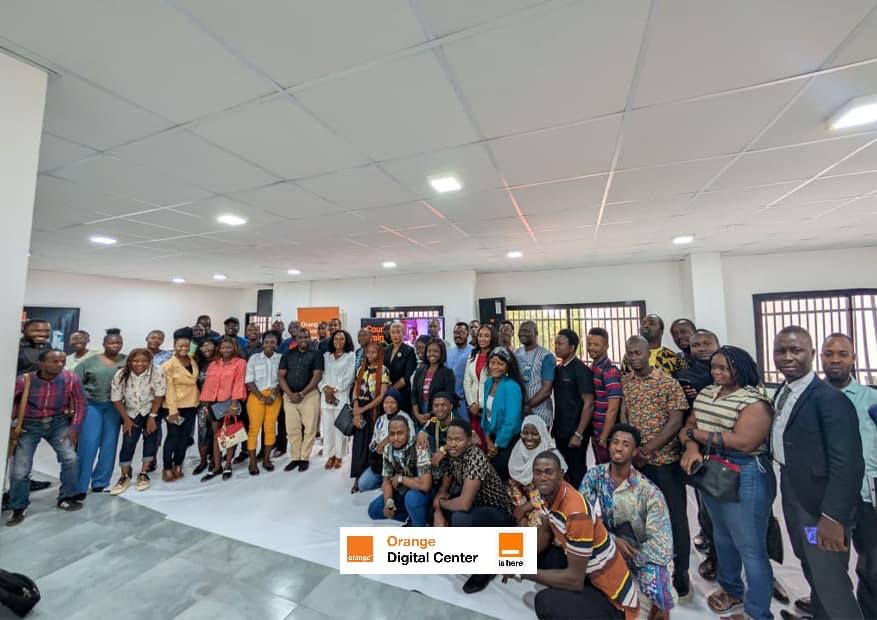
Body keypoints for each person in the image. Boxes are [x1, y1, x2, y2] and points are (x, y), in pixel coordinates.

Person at [771, 326, 864, 620]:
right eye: (780, 351)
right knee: (810, 565)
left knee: (831, 581)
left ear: (811, 354)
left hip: (819, 507)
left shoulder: (829, 399)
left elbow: (848, 464)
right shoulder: (784, 392)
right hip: (794, 494)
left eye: (796, 350)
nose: (787, 357)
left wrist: (833, 517)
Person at [678, 346, 774, 619]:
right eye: (714, 367)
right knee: (722, 535)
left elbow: (744, 442)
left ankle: (757, 612)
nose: (717, 372)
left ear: (741, 369)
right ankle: (731, 590)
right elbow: (689, 425)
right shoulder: (708, 392)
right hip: (712, 468)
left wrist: (696, 435)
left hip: (745, 471)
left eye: (724, 368)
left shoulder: (754, 400)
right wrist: (691, 448)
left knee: (750, 547)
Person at [516, 451, 639, 619]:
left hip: (612, 599)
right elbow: (544, 534)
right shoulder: (545, 494)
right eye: (538, 472)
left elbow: (575, 580)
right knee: (535, 555)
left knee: (544, 602)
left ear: (561, 475)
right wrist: (512, 557)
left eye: (548, 472)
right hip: (589, 572)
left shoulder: (576, 514)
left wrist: (523, 572)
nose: (543, 477)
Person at [580, 424, 674, 619]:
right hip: (608, 543)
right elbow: (583, 515)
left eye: (625, 444)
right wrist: (611, 541)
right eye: (615, 442)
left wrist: (630, 555)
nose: (618, 448)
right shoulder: (595, 475)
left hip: (641, 554)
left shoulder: (649, 492)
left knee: (656, 603)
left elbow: (662, 547)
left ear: (635, 451)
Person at [621, 335, 690, 598]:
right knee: (638, 517)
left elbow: (675, 422)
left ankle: (681, 571)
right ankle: (644, 565)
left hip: (664, 463)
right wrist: (632, 448)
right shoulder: (626, 382)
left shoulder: (667, 382)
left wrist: (649, 449)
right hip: (636, 463)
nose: (633, 357)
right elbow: (624, 415)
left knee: (675, 517)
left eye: (638, 352)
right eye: (629, 353)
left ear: (648, 353)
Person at [821, 332, 877, 618]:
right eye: (829, 354)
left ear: (853, 358)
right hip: (824, 500)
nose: (835, 360)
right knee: (824, 562)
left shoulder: (871, 399)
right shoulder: (811, 399)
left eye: (842, 354)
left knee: (872, 564)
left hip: (866, 497)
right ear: (820, 357)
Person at [432, 418, 515, 593]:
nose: (453, 444)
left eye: (458, 439)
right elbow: (442, 492)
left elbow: (464, 504)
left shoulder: (475, 457)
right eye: (450, 439)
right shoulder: (452, 454)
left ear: (469, 440)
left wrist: (441, 504)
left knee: (460, 517)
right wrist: (438, 509)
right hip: (478, 506)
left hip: (500, 514)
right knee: (435, 510)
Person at [7, 350, 86, 526]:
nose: (60, 365)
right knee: (20, 468)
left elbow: (81, 403)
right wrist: (11, 425)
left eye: (62, 361)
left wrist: (75, 427)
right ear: (41, 363)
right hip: (29, 425)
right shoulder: (24, 380)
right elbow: (7, 402)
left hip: (58, 423)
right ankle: (18, 507)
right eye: (54, 361)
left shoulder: (70, 378)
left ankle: (66, 497)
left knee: (71, 459)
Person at [672, 328, 721, 580]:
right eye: (696, 345)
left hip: (735, 450)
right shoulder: (685, 375)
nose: (701, 348)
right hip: (700, 447)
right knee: (706, 504)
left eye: (706, 343)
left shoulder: (734, 372)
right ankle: (714, 553)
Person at [74, 328, 127, 496]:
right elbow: (75, 384)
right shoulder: (89, 362)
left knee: (109, 445)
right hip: (92, 405)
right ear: (104, 344)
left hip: (115, 407)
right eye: (111, 342)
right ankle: (80, 486)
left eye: (118, 342)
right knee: (88, 444)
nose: (115, 345)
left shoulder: (127, 361)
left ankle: (100, 482)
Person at [109, 349, 166, 495]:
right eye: (135, 361)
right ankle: (125, 475)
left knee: (150, 441)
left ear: (149, 362)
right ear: (129, 361)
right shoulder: (121, 374)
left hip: (150, 411)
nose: (139, 364)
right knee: (128, 442)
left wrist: (152, 417)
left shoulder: (157, 372)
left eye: (144, 361)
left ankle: (144, 473)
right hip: (130, 413)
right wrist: (126, 420)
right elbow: (116, 398)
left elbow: (159, 395)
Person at [368, 415, 433, 527]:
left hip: (421, 493)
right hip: (402, 491)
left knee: (411, 498)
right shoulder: (388, 448)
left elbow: (425, 485)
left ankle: (421, 524)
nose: (396, 438)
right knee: (374, 510)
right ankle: (413, 516)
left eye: (400, 433)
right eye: (392, 434)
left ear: (408, 432)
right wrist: (388, 502)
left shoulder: (419, 446)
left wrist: (400, 479)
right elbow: (386, 481)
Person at [200, 337, 247, 481]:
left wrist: (234, 405)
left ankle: (228, 464)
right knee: (217, 435)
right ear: (219, 349)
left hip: (230, 402)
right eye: (223, 347)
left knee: (229, 435)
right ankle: (216, 466)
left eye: (229, 347)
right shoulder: (214, 364)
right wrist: (206, 404)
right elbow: (208, 385)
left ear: (234, 348)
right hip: (214, 403)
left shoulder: (240, 363)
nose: (226, 350)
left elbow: (239, 383)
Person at [553, 329, 594, 489]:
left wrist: (578, 434)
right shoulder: (558, 369)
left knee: (577, 472)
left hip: (575, 433)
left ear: (572, 347)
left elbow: (589, 404)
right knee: (563, 471)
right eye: (556, 343)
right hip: (561, 431)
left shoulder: (581, 370)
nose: (556, 346)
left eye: (560, 344)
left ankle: (581, 502)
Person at [506, 415, 565, 528]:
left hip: (547, 503)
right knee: (518, 522)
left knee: (537, 523)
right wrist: (521, 508)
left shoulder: (551, 455)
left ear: (542, 434)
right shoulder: (518, 450)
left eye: (534, 434)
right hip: (519, 500)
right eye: (525, 433)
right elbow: (513, 485)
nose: (529, 438)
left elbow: (558, 489)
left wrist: (526, 507)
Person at [278, 328, 323, 473]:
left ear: (310, 338)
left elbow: (317, 376)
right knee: (292, 429)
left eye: (306, 337)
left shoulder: (316, 354)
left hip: (309, 396)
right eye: (300, 337)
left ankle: (304, 458)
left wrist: (302, 393)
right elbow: (281, 376)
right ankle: (295, 457)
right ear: (296, 339)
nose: (303, 339)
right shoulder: (287, 354)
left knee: (310, 428)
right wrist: (290, 394)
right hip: (290, 396)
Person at [350, 342, 390, 492]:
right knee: (358, 445)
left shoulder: (384, 370)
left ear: (379, 354)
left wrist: (364, 408)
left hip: (374, 412)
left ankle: (372, 474)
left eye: (374, 352)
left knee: (371, 444)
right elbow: (355, 390)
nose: (371, 355)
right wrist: (356, 406)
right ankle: (357, 477)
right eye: (368, 352)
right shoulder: (361, 369)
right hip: (360, 411)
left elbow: (381, 396)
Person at [482, 347, 526, 481]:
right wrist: (487, 438)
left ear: (508, 367)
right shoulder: (488, 383)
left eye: (500, 364)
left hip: (509, 440)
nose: (495, 367)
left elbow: (511, 422)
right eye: (493, 363)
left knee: (498, 472)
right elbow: (486, 414)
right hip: (493, 438)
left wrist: (496, 445)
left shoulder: (512, 387)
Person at [162, 329, 200, 481]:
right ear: (174, 345)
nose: (183, 349)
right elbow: (169, 389)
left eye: (186, 346)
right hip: (174, 408)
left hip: (191, 405)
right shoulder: (168, 365)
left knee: (184, 438)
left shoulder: (192, 360)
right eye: (180, 346)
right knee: (173, 437)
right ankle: (167, 467)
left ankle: (178, 464)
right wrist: (173, 411)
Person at [358, 388, 412, 492]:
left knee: (396, 488)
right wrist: (376, 448)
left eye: (393, 402)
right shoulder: (380, 419)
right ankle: (383, 483)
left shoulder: (405, 418)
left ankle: (389, 484)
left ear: (398, 403)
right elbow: (373, 442)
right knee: (363, 485)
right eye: (386, 402)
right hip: (380, 463)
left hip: (399, 464)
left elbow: (410, 443)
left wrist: (387, 444)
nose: (389, 405)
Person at [244, 331, 282, 475]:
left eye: (272, 342)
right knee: (254, 428)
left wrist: (272, 396)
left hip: (274, 397)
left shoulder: (280, 358)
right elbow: (249, 380)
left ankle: (266, 460)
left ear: (276, 344)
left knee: (270, 428)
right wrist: (261, 397)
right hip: (256, 396)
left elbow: (282, 379)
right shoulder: (254, 358)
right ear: (263, 343)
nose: (269, 344)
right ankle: (252, 462)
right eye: (266, 341)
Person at [319, 329, 355, 470]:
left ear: (346, 341)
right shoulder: (326, 356)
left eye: (341, 339)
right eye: (336, 339)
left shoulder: (350, 356)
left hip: (340, 396)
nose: (338, 341)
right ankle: (330, 456)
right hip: (326, 398)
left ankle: (339, 456)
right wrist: (324, 388)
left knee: (339, 428)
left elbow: (349, 376)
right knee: (328, 429)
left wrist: (334, 389)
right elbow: (320, 375)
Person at [586, 327, 623, 465]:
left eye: (596, 344)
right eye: (589, 344)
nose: (591, 348)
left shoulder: (610, 371)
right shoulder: (593, 368)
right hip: (595, 431)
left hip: (606, 435)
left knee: (609, 469)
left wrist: (604, 436)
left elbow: (613, 408)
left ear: (606, 346)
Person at [515, 321, 556, 428]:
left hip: (540, 412)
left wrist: (527, 406)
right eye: (520, 330)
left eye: (527, 331)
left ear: (536, 333)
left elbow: (547, 390)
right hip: (519, 412)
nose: (522, 333)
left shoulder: (546, 356)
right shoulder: (516, 353)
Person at [464, 325, 498, 447]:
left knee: (489, 441)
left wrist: (480, 404)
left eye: (486, 336)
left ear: (492, 338)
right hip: (473, 408)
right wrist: (471, 403)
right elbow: (467, 381)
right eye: (480, 335)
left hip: (489, 406)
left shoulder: (496, 355)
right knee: (475, 441)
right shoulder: (473, 354)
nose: (482, 339)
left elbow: (496, 383)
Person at [623, 314, 688, 377]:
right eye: (643, 323)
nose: (645, 326)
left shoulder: (673, 358)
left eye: (651, 323)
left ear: (661, 331)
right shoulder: (629, 357)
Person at [411, 339, 456, 427]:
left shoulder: (447, 373)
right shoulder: (420, 371)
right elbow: (414, 393)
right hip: (419, 415)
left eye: (436, 351)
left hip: (438, 415)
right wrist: (417, 414)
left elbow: (449, 397)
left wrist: (430, 415)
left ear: (441, 353)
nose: (432, 354)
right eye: (429, 351)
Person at [192, 337, 216, 475]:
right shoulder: (197, 363)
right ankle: (202, 461)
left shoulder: (220, 362)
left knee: (216, 432)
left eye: (209, 345)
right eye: (203, 346)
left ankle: (214, 458)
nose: (206, 348)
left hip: (218, 403)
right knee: (202, 431)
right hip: (202, 404)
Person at [383, 322, 417, 412]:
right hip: (386, 394)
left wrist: (391, 390)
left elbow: (407, 377)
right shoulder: (385, 350)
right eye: (393, 332)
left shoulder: (409, 351)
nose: (395, 335)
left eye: (398, 332)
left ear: (403, 333)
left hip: (402, 394)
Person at [446, 322, 473, 421]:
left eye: (461, 332)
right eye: (455, 333)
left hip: (465, 401)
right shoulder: (449, 352)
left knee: (465, 427)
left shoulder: (473, 352)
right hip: (450, 400)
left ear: (467, 334)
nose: (458, 335)